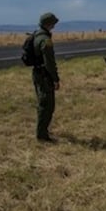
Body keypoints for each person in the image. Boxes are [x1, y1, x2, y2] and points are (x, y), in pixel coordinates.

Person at [32, 12, 61, 142]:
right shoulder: (45, 40)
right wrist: (55, 78)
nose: (54, 26)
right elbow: (49, 62)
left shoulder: (36, 35)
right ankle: (42, 135)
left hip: (37, 73)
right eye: (53, 23)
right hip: (45, 75)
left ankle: (42, 130)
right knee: (47, 105)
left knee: (42, 103)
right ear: (49, 24)